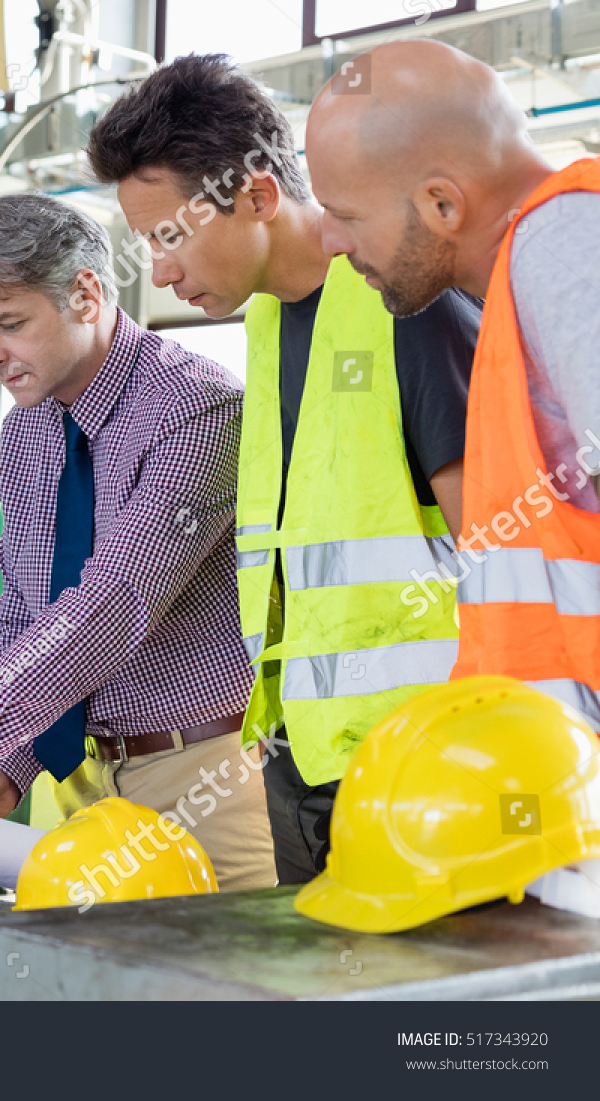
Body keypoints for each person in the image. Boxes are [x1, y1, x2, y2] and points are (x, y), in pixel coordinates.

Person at [85, 55, 478, 884]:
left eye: (169, 237)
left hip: (428, 769)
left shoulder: (410, 305)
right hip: (299, 764)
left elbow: (504, 554)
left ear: (258, 196)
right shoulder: (263, 326)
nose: (158, 270)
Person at [0, 192, 276, 891]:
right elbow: (25, 615)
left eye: (9, 325)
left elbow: (111, 605)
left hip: (204, 779)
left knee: (226, 961)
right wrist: (6, 762)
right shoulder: (27, 427)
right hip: (79, 779)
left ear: (86, 294)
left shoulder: (198, 408)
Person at [305, 40, 600, 728]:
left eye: (345, 214)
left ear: (441, 203)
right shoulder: (533, 268)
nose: (330, 243)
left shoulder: (565, 247)